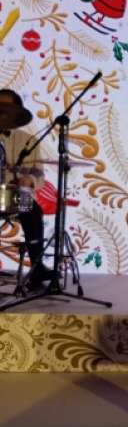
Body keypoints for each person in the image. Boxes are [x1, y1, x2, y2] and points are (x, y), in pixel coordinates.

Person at [0, 88, 55, 289]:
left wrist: (28, 180)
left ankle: (37, 268)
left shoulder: (28, 139)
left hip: (12, 195)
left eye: (7, 108)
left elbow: (39, 174)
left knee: (32, 211)